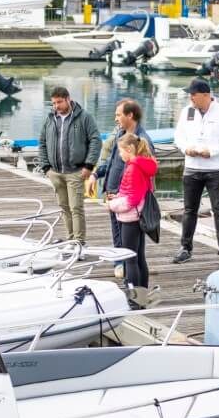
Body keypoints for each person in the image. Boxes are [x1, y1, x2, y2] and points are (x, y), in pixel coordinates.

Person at [173, 78, 219, 268]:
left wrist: (211, 151)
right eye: (190, 95)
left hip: (215, 169)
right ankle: (185, 248)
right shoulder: (187, 112)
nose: (190, 98)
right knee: (189, 210)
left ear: (205, 95)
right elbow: (178, 136)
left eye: (193, 94)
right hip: (192, 167)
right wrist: (186, 148)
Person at [38, 86, 101, 245]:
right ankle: (70, 240)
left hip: (76, 172)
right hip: (56, 173)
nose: (56, 106)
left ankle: (79, 243)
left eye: (59, 102)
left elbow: (95, 140)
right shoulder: (50, 118)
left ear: (68, 99)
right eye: (53, 103)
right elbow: (42, 142)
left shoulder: (84, 117)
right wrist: (46, 167)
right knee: (64, 208)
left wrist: (89, 165)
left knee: (76, 209)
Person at [91, 99, 154, 248]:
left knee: (131, 246)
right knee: (117, 235)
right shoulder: (121, 135)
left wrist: (123, 196)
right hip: (115, 195)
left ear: (130, 115)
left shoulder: (142, 140)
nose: (115, 118)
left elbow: (147, 172)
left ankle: (125, 266)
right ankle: (119, 264)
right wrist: (96, 174)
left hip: (129, 201)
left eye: (118, 115)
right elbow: (112, 162)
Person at [107, 133, 159, 308]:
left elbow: (132, 199)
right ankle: (142, 295)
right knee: (139, 257)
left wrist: (112, 204)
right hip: (139, 216)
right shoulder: (142, 165)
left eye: (121, 151)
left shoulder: (133, 167)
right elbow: (133, 191)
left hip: (130, 217)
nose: (120, 155)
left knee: (129, 258)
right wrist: (119, 195)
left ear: (129, 149)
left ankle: (134, 299)